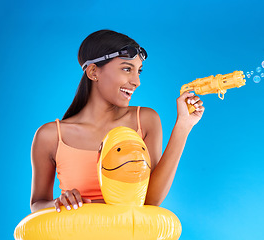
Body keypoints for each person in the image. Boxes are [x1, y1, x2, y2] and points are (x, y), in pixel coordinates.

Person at [30, 29, 204, 213]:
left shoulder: (144, 121)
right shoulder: (50, 136)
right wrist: (59, 202)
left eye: (139, 72)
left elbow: (151, 200)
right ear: (93, 72)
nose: (137, 81)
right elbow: (37, 204)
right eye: (127, 69)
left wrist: (184, 125)